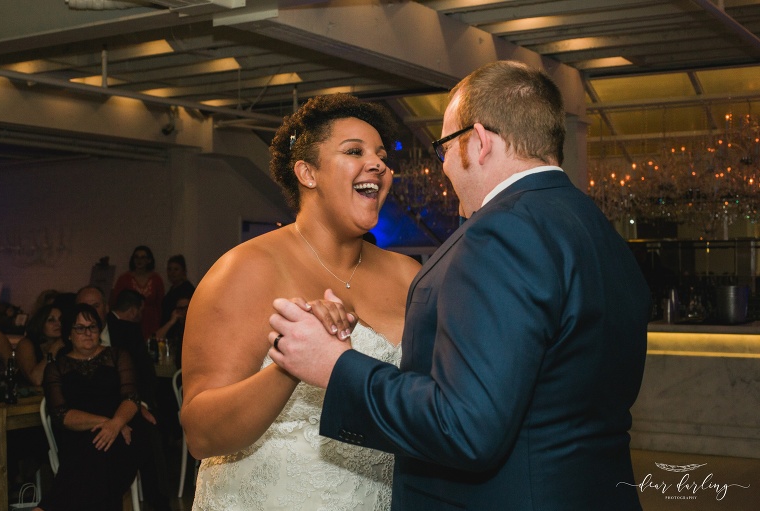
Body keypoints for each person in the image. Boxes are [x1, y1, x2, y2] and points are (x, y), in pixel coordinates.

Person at [268, 61, 651, 510]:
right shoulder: (598, 230)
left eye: (445, 147)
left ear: (480, 142)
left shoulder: (501, 232)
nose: (445, 165)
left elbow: (465, 427)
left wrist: (336, 366)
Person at [181, 93, 421, 510]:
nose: (379, 165)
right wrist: (290, 365)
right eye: (355, 151)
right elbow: (202, 435)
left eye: (382, 156)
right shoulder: (246, 269)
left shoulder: (408, 275)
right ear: (307, 173)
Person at [35, 303, 141, 511]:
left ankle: (47, 507)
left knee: (104, 452)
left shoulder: (118, 355)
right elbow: (61, 414)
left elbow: (131, 398)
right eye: (80, 328)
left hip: (122, 433)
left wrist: (117, 423)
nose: (87, 333)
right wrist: (108, 424)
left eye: (92, 327)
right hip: (79, 434)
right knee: (93, 453)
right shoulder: (56, 368)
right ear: (68, 334)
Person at [77, 286, 172, 511]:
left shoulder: (127, 331)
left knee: (150, 430)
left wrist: (139, 405)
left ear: (106, 307)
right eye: (84, 306)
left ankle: (159, 503)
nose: (91, 312)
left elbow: (145, 375)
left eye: (96, 305)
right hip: (91, 415)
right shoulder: (71, 339)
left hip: (131, 405)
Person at [112, 245, 165, 339]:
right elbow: (115, 301)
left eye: (143, 257)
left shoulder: (156, 279)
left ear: (149, 260)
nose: (139, 260)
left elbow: (161, 304)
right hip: (129, 321)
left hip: (151, 322)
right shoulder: (124, 278)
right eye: (136, 257)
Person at [16, 305, 65, 386]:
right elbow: (36, 380)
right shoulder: (26, 344)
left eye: (61, 320)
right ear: (40, 323)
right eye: (51, 320)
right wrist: (55, 348)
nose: (58, 324)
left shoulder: (67, 344)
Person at [160, 254, 196, 327]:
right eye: (169, 269)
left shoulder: (187, 289)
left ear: (183, 271)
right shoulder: (172, 290)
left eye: (176, 269)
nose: (172, 273)